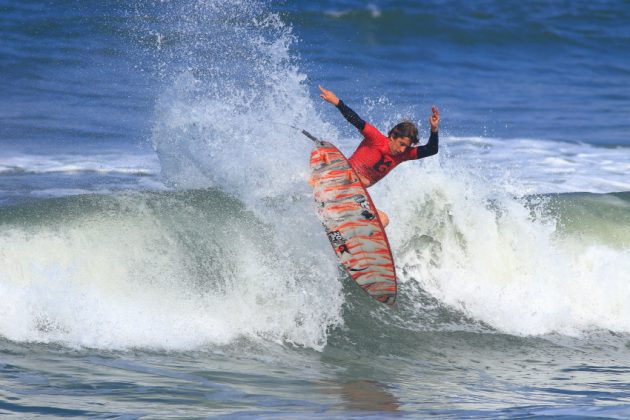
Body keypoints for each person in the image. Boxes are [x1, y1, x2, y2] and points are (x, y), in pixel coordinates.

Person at [318, 85, 440, 227]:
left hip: (355, 197)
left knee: (383, 220)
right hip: (342, 179)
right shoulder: (375, 138)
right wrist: (337, 102)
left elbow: (431, 149)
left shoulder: (403, 155)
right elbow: (355, 120)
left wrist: (434, 129)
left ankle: (354, 233)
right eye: (401, 144)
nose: (402, 150)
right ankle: (328, 200)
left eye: (406, 146)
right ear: (393, 136)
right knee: (362, 181)